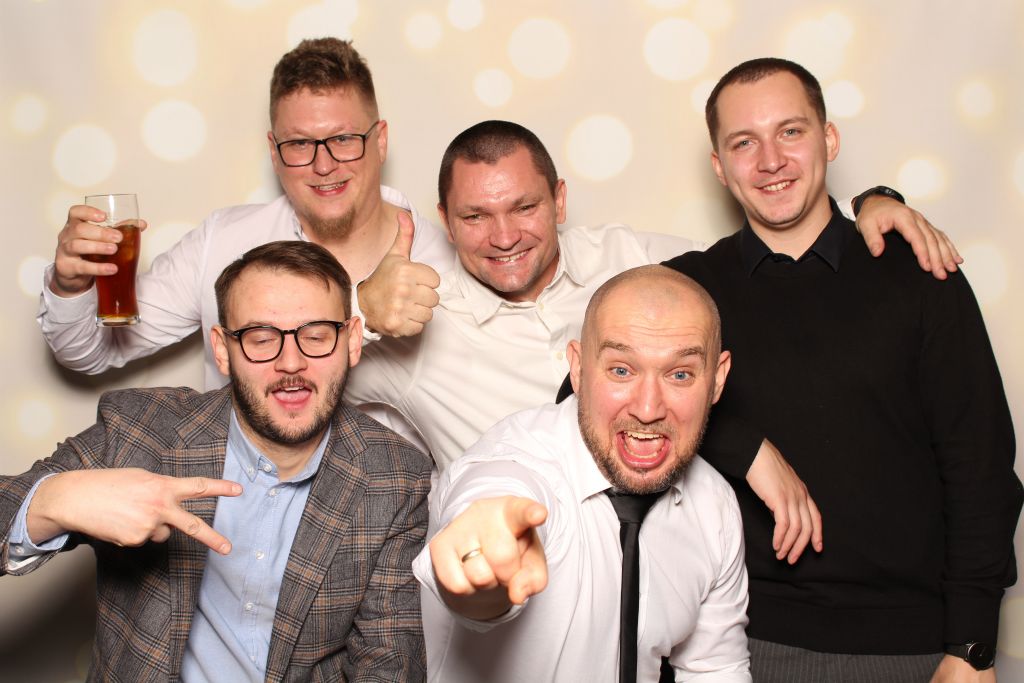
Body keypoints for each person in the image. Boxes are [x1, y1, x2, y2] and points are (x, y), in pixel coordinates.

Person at [346, 119, 960, 563]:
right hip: (513, 592)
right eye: (476, 216)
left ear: (559, 200)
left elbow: (767, 262)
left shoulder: (632, 260)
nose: (504, 236)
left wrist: (871, 205)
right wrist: (361, 311)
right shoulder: (417, 323)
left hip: (672, 579)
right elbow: (290, 381)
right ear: (444, 220)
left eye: (524, 207)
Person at [662, 58, 1022, 682]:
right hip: (734, 644)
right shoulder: (690, 289)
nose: (770, 160)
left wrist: (972, 644)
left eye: (791, 131)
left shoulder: (918, 273)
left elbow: (980, 464)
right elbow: (589, 401)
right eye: (744, 143)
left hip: (910, 648)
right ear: (720, 167)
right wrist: (744, 448)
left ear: (828, 139)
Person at [3, 241, 431, 681]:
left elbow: (389, 664)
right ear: (223, 351)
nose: (291, 363)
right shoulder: (140, 430)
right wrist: (55, 500)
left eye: (317, 335)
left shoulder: (397, 476)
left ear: (352, 342)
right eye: (261, 338)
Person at [38, 37, 449, 389]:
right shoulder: (221, 242)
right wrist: (70, 287)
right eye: (299, 144)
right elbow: (86, 353)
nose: (323, 165)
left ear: (380, 141)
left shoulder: (446, 262)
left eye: (343, 139)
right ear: (274, 152)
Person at [414, 265, 749, 682]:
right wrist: (482, 569)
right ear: (577, 368)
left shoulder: (714, 504)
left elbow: (714, 667)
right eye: (621, 370)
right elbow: (492, 496)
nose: (648, 409)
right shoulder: (515, 463)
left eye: (680, 374)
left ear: (717, 380)